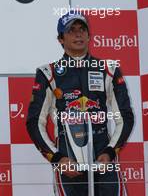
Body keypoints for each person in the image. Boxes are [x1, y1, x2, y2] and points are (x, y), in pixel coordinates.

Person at [26, 11, 134, 196]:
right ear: (61, 39)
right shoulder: (47, 73)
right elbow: (35, 122)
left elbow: (125, 117)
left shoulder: (109, 69)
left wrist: (110, 152)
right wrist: (58, 158)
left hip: (102, 153)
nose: (78, 34)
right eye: (71, 30)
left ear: (89, 35)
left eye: (82, 29)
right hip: (68, 156)